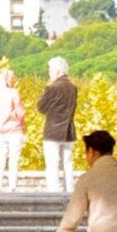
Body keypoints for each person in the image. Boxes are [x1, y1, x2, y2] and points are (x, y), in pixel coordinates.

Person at [37, 57, 81, 190]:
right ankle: (69, 190)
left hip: (53, 131)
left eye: (50, 70)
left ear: (56, 71)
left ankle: (54, 191)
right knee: (68, 163)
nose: (49, 73)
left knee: (52, 164)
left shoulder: (52, 88)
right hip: (68, 130)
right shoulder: (73, 88)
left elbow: (41, 107)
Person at [0, 61, 25, 182]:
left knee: (0, 159)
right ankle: (12, 185)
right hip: (14, 130)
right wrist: (20, 122)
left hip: (0, 131)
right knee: (14, 159)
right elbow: (20, 112)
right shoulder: (13, 93)